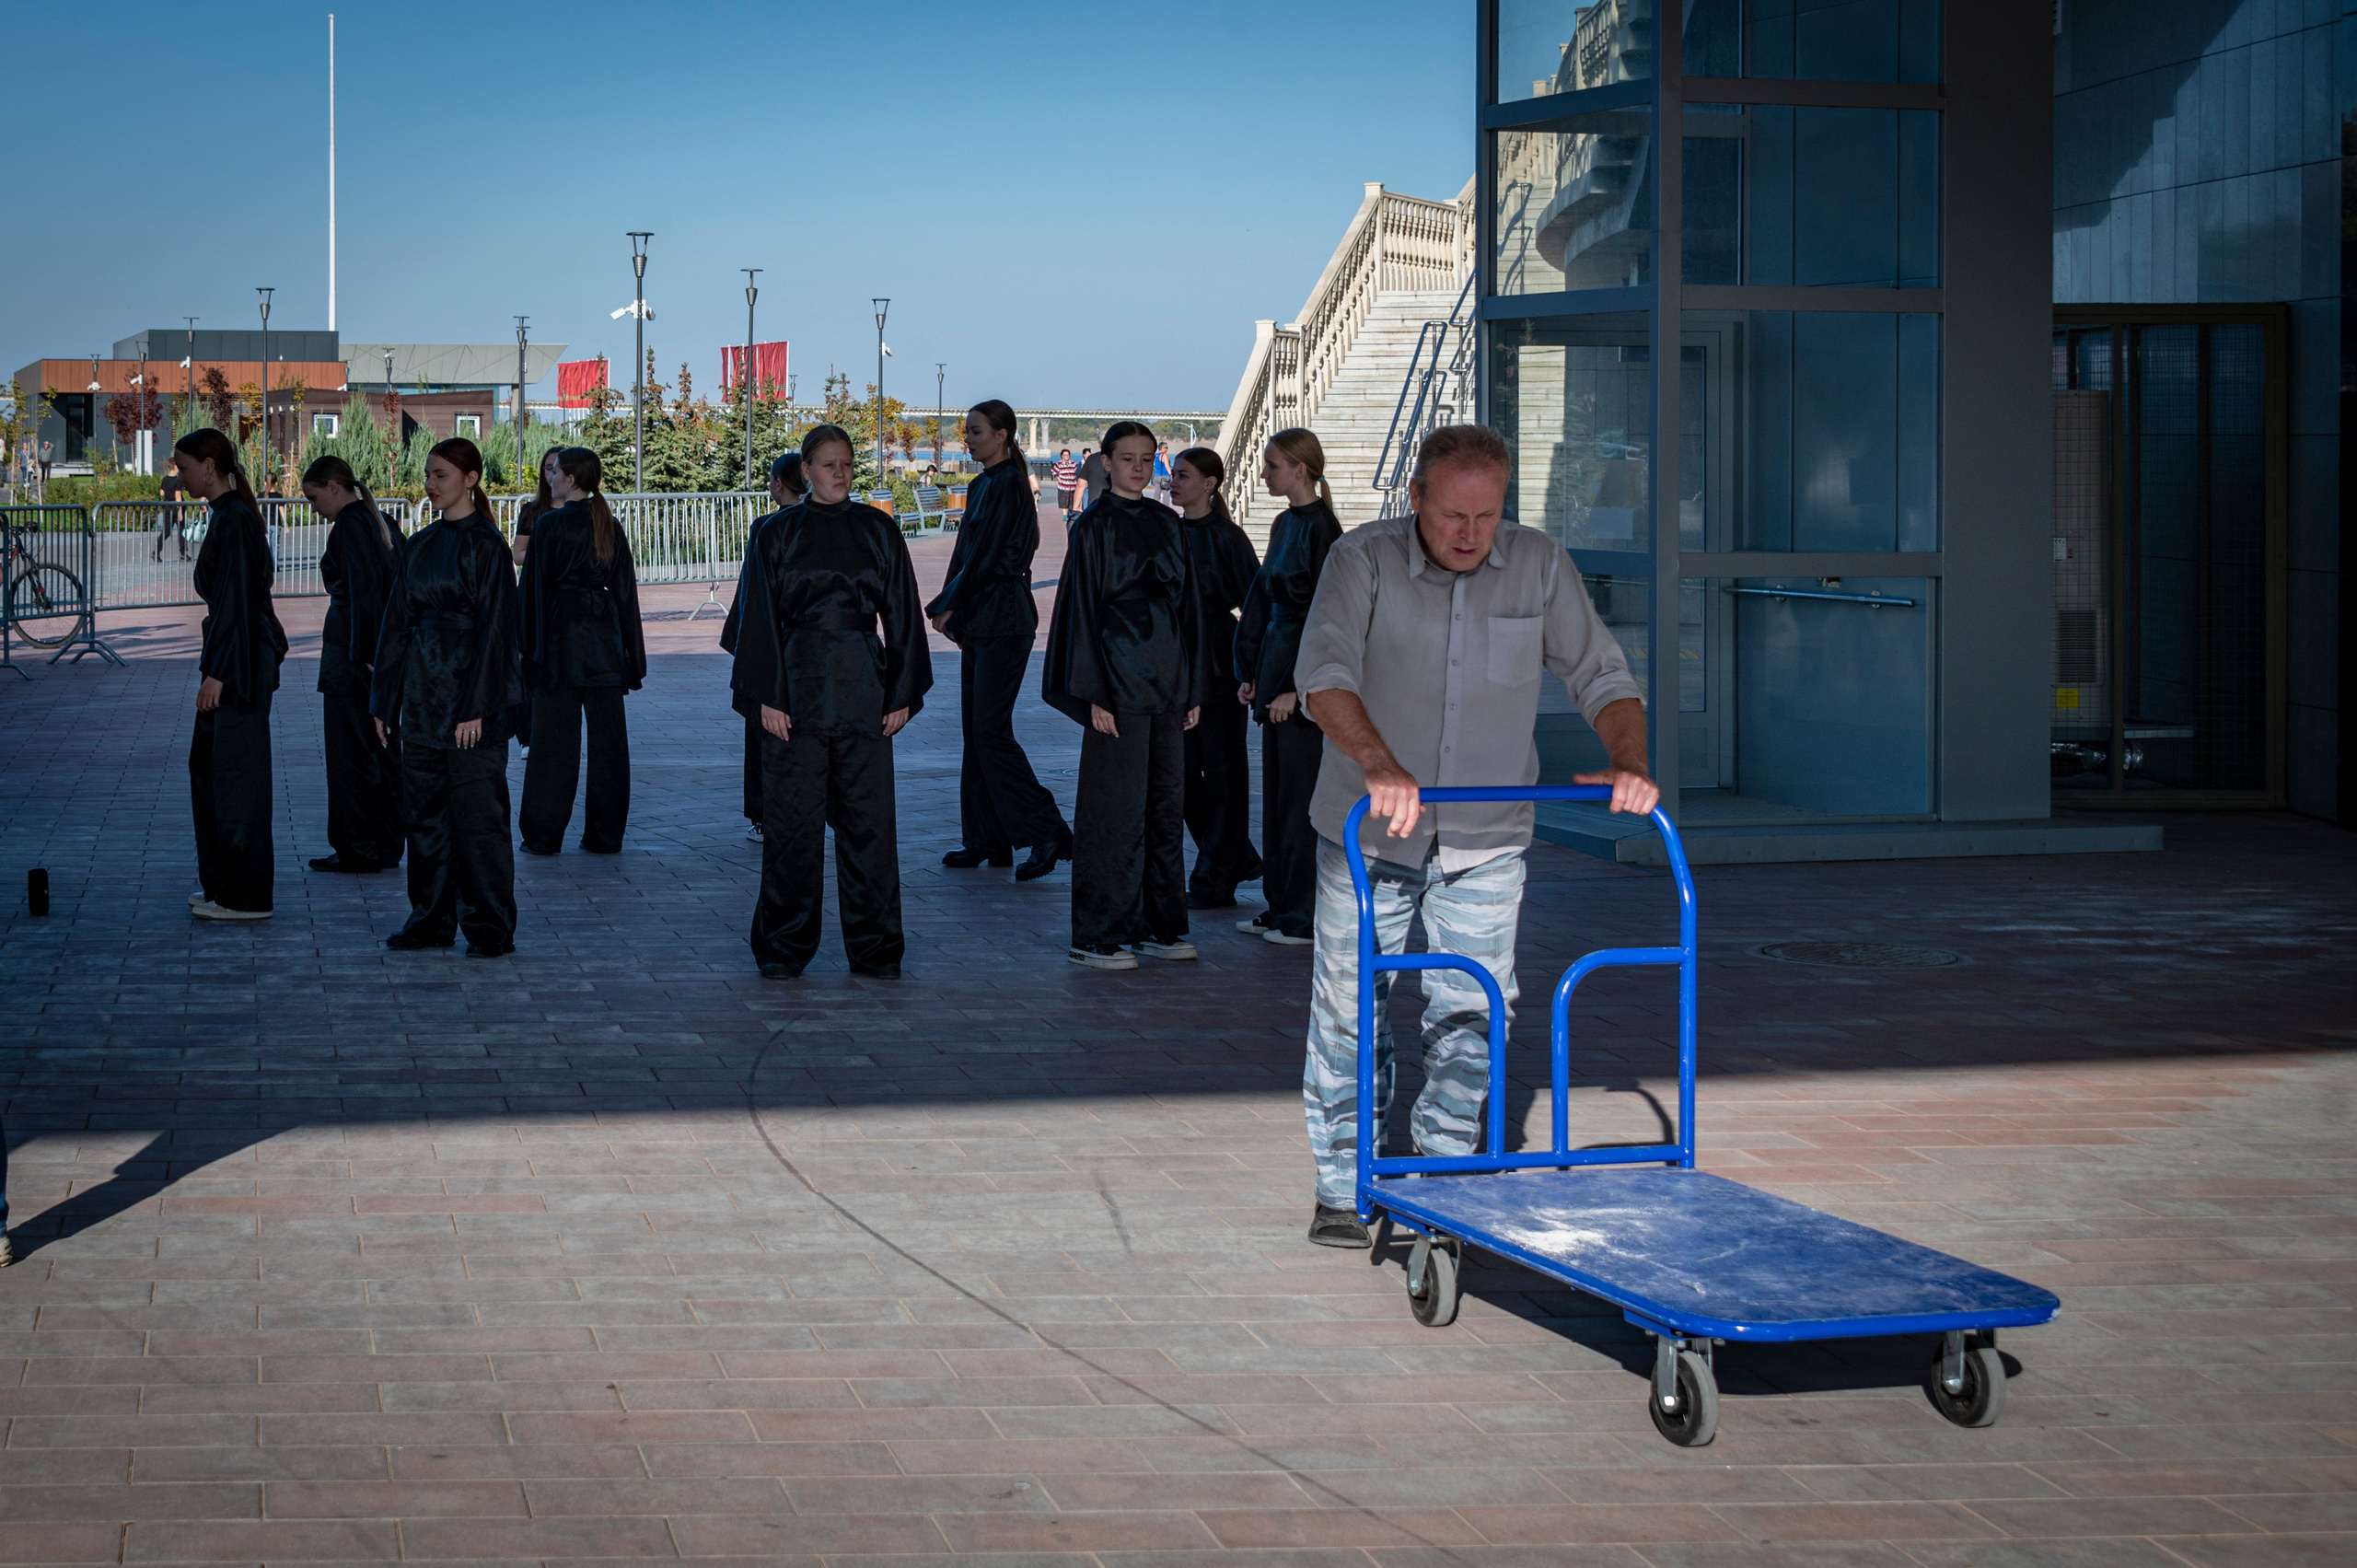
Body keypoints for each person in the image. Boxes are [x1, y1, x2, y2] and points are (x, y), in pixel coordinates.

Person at [1292, 424, 1656, 1248]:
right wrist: (1381, 765)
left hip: (1487, 837)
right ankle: (1345, 1185)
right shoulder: (1363, 561)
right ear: (1416, 496)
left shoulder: (1538, 564)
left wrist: (1628, 759)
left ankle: (1447, 1179)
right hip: (1369, 833)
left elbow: (1601, 673)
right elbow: (1324, 675)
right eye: (1452, 514)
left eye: (1485, 517)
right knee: (1351, 1011)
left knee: (1474, 1009)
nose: (1467, 533)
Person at [729, 424, 932, 980]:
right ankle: (783, 948)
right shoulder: (775, 533)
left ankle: (875, 949)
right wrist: (767, 696)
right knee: (792, 829)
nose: (840, 473)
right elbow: (759, 620)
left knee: (870, 827)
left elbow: (904, 613)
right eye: (827, 465)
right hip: (794, 688)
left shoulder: (878, 529)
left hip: (864, 688)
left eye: (846, 463)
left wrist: (902, 691)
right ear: (807, 472)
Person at [1041, 421, 1208, 971]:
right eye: (1126, 458)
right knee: (1113, 810)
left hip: (1166, 679)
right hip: (1114, 679)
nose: (1137, 467)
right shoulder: (1091, 527)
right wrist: (1093, 693)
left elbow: (1190, 612)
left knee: (1165, 806)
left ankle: (1160, 924)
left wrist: (1192, 688)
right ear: (1106, 463)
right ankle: (1098, 933)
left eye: (1146, 458)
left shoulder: (1169, 523)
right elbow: (1080, 612)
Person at [371, 437, 523, 958]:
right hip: (421, 699)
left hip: (469, 703)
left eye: (440, 475)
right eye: (429, 475)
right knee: (426, 817)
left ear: (470, 478)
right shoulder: (420, 544)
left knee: (479, 820)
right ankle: (430, 919)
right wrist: (383, 702)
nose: (430, 484)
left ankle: (490, 927)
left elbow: (499, 633)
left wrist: (477, 706)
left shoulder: (488, 546)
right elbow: (396, 627)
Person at [928, 400, 1072, 881]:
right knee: (977, 730)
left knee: (990, 729)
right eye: (966, 431)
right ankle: (986, 838)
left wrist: (949, 602)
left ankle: (1046, 829)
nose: (967, 438)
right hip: (985, 618)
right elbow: (965, 550)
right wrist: (952, 603)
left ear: (1004, 434)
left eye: (976, 431)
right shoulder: (983, 483)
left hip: (1006, 618)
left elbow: (990, 555)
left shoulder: (1010, 484)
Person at [175, 428, 289, 922]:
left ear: (208, 465)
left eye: (183, 468)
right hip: (233, 659)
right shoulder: (228, 516)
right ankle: (223, 883)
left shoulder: (237, 520)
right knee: (211, 772)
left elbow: (240, 605)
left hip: (239, 666)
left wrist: (220, 673)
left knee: (236, 779)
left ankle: (245, 894)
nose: (179, 478)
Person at [1235, 428, 1343, 947]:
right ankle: (1280, 905)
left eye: (1272, 466)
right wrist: (1252, 671)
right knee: (1277, 798)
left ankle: (1302, 913)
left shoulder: (1324, 530)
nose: (1264, 474)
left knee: (1300, 801)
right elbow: (1261, 598)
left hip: (1300, 680)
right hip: (1277, 664)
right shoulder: (1284, 523)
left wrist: (1298, 690)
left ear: (1300, 469)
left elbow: (1328, 618)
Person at [517, 447, 646, 856]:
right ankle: (605, 836)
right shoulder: (609, 523)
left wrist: (525, 647)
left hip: (560, 640)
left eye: (555, 472)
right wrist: (632, 659)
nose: (550, 477)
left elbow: (533, 590)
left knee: (553, 745)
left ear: (571, 479)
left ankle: (543, 835)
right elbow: (626, 594)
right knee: (610, 745)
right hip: (603, 641)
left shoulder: (551, 525)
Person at [1168, 446, 1261, 908]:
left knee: (1224, 773)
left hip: (1220, 664)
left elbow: (1256, 603)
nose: (1174, 482)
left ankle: (1214, 878)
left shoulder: (1228, 536)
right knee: (1180, 774)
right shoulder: (1166, 532)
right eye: (1174, 474)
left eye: (1184, 475)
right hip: (1176, 666)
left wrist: (1255, 665)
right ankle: (1233, 856)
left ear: (1209, 483)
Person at [302, 454, 405, 875]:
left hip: (352, 656)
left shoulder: (349, 525)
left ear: (332, 487)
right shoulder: (376, 520)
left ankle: (358, 847)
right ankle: (383, 843)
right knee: (380, 751)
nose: (312, 508)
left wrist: (365, 654)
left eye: (313, 497)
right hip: (374, 653)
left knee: (351, 755)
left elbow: (364, 592)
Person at [721, 452, 807, 842]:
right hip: (810, 645)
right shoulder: (819, 524)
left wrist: (742, 639)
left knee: (763, 732)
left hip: (772, 640)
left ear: (778, 483)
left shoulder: (767, 527)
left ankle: (764, 813)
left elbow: (752, 590)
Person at [509, 448, 563, 757]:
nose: (550, 474)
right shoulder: (533, 511)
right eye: (546, 468)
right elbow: (518, 554)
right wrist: (548, 556)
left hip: (565, 602)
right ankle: (528, 736)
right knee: (530, 664)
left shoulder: (584, 510)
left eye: (556, 468)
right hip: (534, 596)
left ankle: (559, 734)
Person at [155, 464, 191, 561]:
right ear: (175, 467)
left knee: (166, 531)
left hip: (167, 507)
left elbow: (161, 493)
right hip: (176, 508)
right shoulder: (178, 480)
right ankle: (183, 554)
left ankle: (156, 551)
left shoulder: (165, 479)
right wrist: (180, 513)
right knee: (182, 531)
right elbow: (178, 496)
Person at [1077, 444, 1107, 511]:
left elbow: (1081, 484)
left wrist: (1076, 506)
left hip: (1095, 501)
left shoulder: (1092, 459)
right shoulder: (1119, 458)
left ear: (1099, 445)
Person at [1051, 447, 1077, 520]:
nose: (1067, 456)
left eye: (1068, 455)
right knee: (1064, 502)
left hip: (1072, 486)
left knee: (1071, 502)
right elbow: (1053, 471)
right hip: (1063, 486)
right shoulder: (1059, 464)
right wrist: (1058, 478)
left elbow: (1077, 472)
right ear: (1062, 456)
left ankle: (1071, 514)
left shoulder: (1073, 464)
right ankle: (1065, 515)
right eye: (1065, 455)